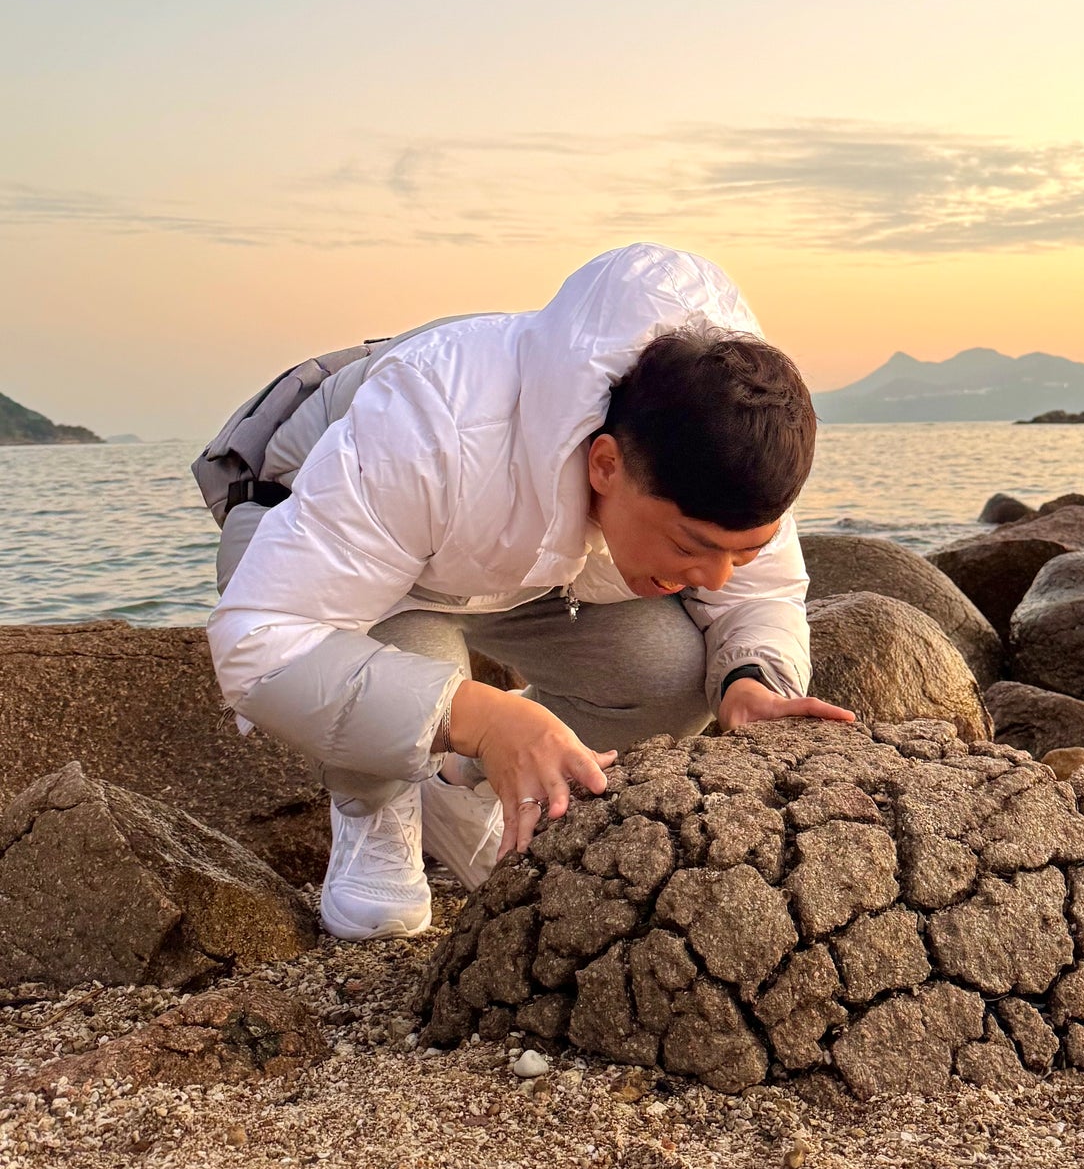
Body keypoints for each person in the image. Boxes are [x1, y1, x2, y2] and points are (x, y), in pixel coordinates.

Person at [205, 243, 853, 941]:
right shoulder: (434, 422)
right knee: (381, 911)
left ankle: (454, 786)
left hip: (521, 564)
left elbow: (759, 596)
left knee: (673, 672)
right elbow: (260, 642)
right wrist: (482, 716)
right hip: (326, 523)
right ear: (604, 464)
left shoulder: (725, 440)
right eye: (692, 547)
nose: (717, 576)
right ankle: (373, 808)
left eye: (743, 550)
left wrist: (751, 682)